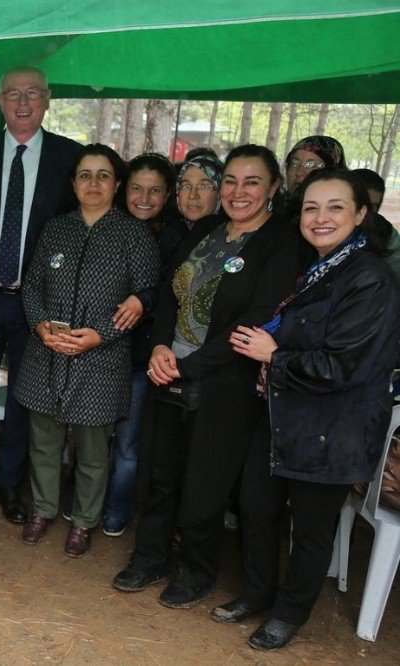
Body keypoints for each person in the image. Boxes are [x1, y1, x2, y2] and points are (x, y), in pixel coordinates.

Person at [213, 168, 400, 650]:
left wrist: (272, 355)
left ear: (361, 214)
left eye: (336, 207)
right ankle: (256, 594)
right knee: (256, 507)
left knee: (311, 530)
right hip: (281, 412)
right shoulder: (317, 266)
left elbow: (342, 366)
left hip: (332, 426)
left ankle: (288, 614)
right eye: (312, 207)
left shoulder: (369, 279)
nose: (320, 218)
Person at [112, 144, 304, 609]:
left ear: (274, 187)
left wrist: (186, 365)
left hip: (223, 384)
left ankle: (197, 570)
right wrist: (160, 346)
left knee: (204, 482)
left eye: (252, 181)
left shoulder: (281, 245)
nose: (239, 192)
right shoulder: (211, 232)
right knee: (161, 474)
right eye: (232, 181)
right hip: (169, 370)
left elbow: (256, 321)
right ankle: (151, 555)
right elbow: (171, 292)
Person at [0, 66, 82, 524]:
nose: (22, 104)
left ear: (47, 99)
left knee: (27, 394)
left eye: (31, 95)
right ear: (0, 100)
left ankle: (9, 481)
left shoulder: (70, 158)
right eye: (12, 95)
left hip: (37, 302)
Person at [15, 144, 158, 556]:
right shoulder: (55, 228)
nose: (93, 183)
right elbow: (32, 287)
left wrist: (101, 334)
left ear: (117, 184)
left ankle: (83, 521)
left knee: (94, 451)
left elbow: (143, 296)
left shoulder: (134, 235)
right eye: (84, 175)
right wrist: (40, 324)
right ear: (73, 182)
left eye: (103, 175)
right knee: (44, 442)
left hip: (101, 360)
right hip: (47, 354)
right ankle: (42, 509)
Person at [100, 152, 184, 538]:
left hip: (140, 355)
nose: (144, 197)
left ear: (168, 194)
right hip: (100, 351)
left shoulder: (176, 239)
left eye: (155, 190)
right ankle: (89, 500)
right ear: (123, 189)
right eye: (136, 188)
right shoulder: (105, 225)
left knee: (128, 441)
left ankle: (117, 508)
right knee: (94, 434)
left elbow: (168, 298)